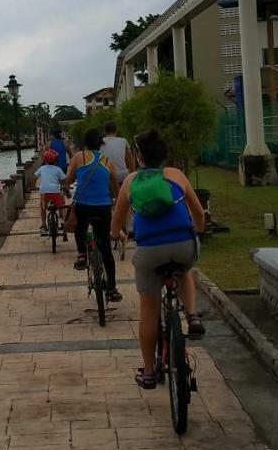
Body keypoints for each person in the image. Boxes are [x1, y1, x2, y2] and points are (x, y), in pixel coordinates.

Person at [110, 128, 206, 390]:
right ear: (164, 156)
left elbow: (116, 222)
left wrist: (118, 233)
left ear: (139, 158)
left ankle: (150, 372)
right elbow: (198, 214)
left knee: (149, 311)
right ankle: (192, 315)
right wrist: (196, 234)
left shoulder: (130, 181)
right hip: (183, 243)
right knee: (184, 270)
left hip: (150, 250)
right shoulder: (176, 175)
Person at [65, 128, 122, 302]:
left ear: (84, 143)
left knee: (79, 226)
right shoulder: (107, 162)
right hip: (103, 208)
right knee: (105, 249)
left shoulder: (78, 157)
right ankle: (112, 289)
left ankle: (82, 254)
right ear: (101, 144)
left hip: (83, 205)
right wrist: (115, 200)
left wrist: (69, 183)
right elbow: (115, 188)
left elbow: (69, 179)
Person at [36, 148, 67, 234]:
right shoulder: (58, 169)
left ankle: (43, 225)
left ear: (45, 160)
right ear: (56, 161)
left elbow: (35, 177)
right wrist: (65, 187)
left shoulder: (42, 168)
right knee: (62, 206)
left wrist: (32, 187)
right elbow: (64, 179)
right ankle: (64, 223)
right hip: (55, 191)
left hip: (44, 192)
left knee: (43, 207)